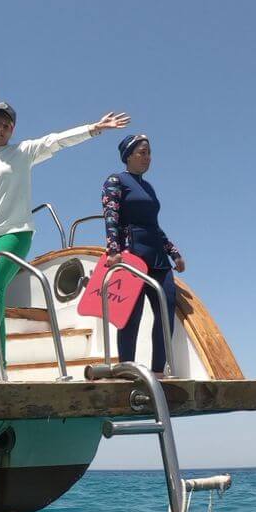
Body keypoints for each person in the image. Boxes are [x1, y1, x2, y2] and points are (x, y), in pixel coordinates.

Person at [0, 102, 131, 381]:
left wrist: (94, 128)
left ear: (12, 130)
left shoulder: (21, 152)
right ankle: (1, 369)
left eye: (6, 125)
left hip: (13, 232)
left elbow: (57, 141)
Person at [103, 134, 185, 374]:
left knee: (165, 311)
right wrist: (113, 250)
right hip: (131, 255)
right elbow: (111, 217)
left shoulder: (148, 187)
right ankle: (126, 368)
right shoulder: (115, 180)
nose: (147, 157)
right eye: (142, 152)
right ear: (128, 156)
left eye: (149, 153)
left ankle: (158, 370)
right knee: (131, 314)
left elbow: (154, 226)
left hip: (158, 257)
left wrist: (174, 253)